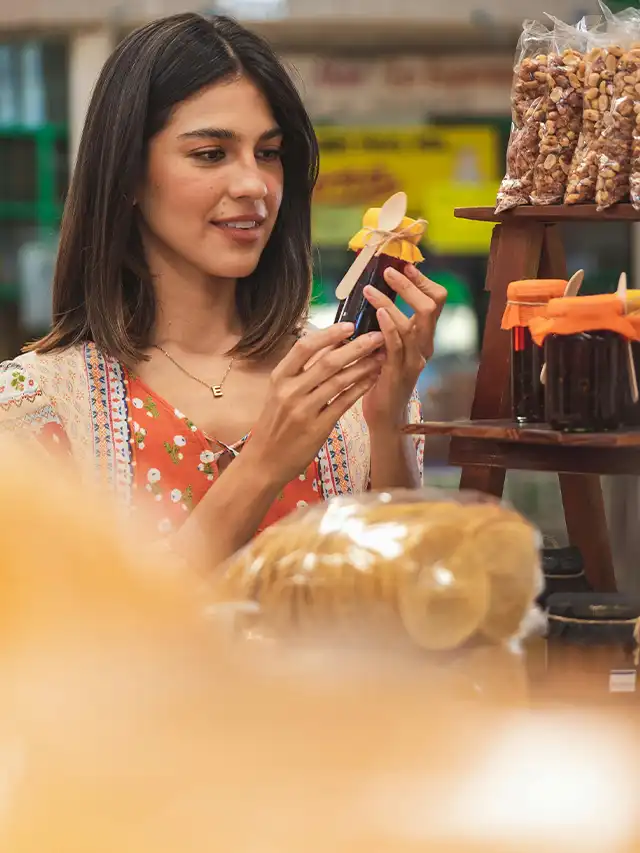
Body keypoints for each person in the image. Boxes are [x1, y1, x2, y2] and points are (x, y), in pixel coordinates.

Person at [0, 14, 445, 567]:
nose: (254, 185)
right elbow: (79, 632)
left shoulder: (336, 381)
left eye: (269, 153)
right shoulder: (37, 405)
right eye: (211, 153)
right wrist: (263, 465)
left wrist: (389, 418)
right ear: (129, 175)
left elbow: (403, 595)